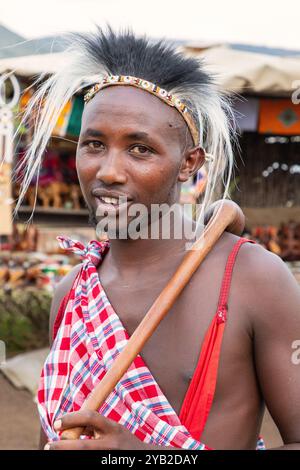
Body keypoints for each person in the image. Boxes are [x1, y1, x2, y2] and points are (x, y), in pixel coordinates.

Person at [17, 27, 300, 450]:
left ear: (189, 164)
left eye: (140, 149)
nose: (108, 171)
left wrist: (144, 456)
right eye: (94, 143)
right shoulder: (73, 294)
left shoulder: (253, 280)